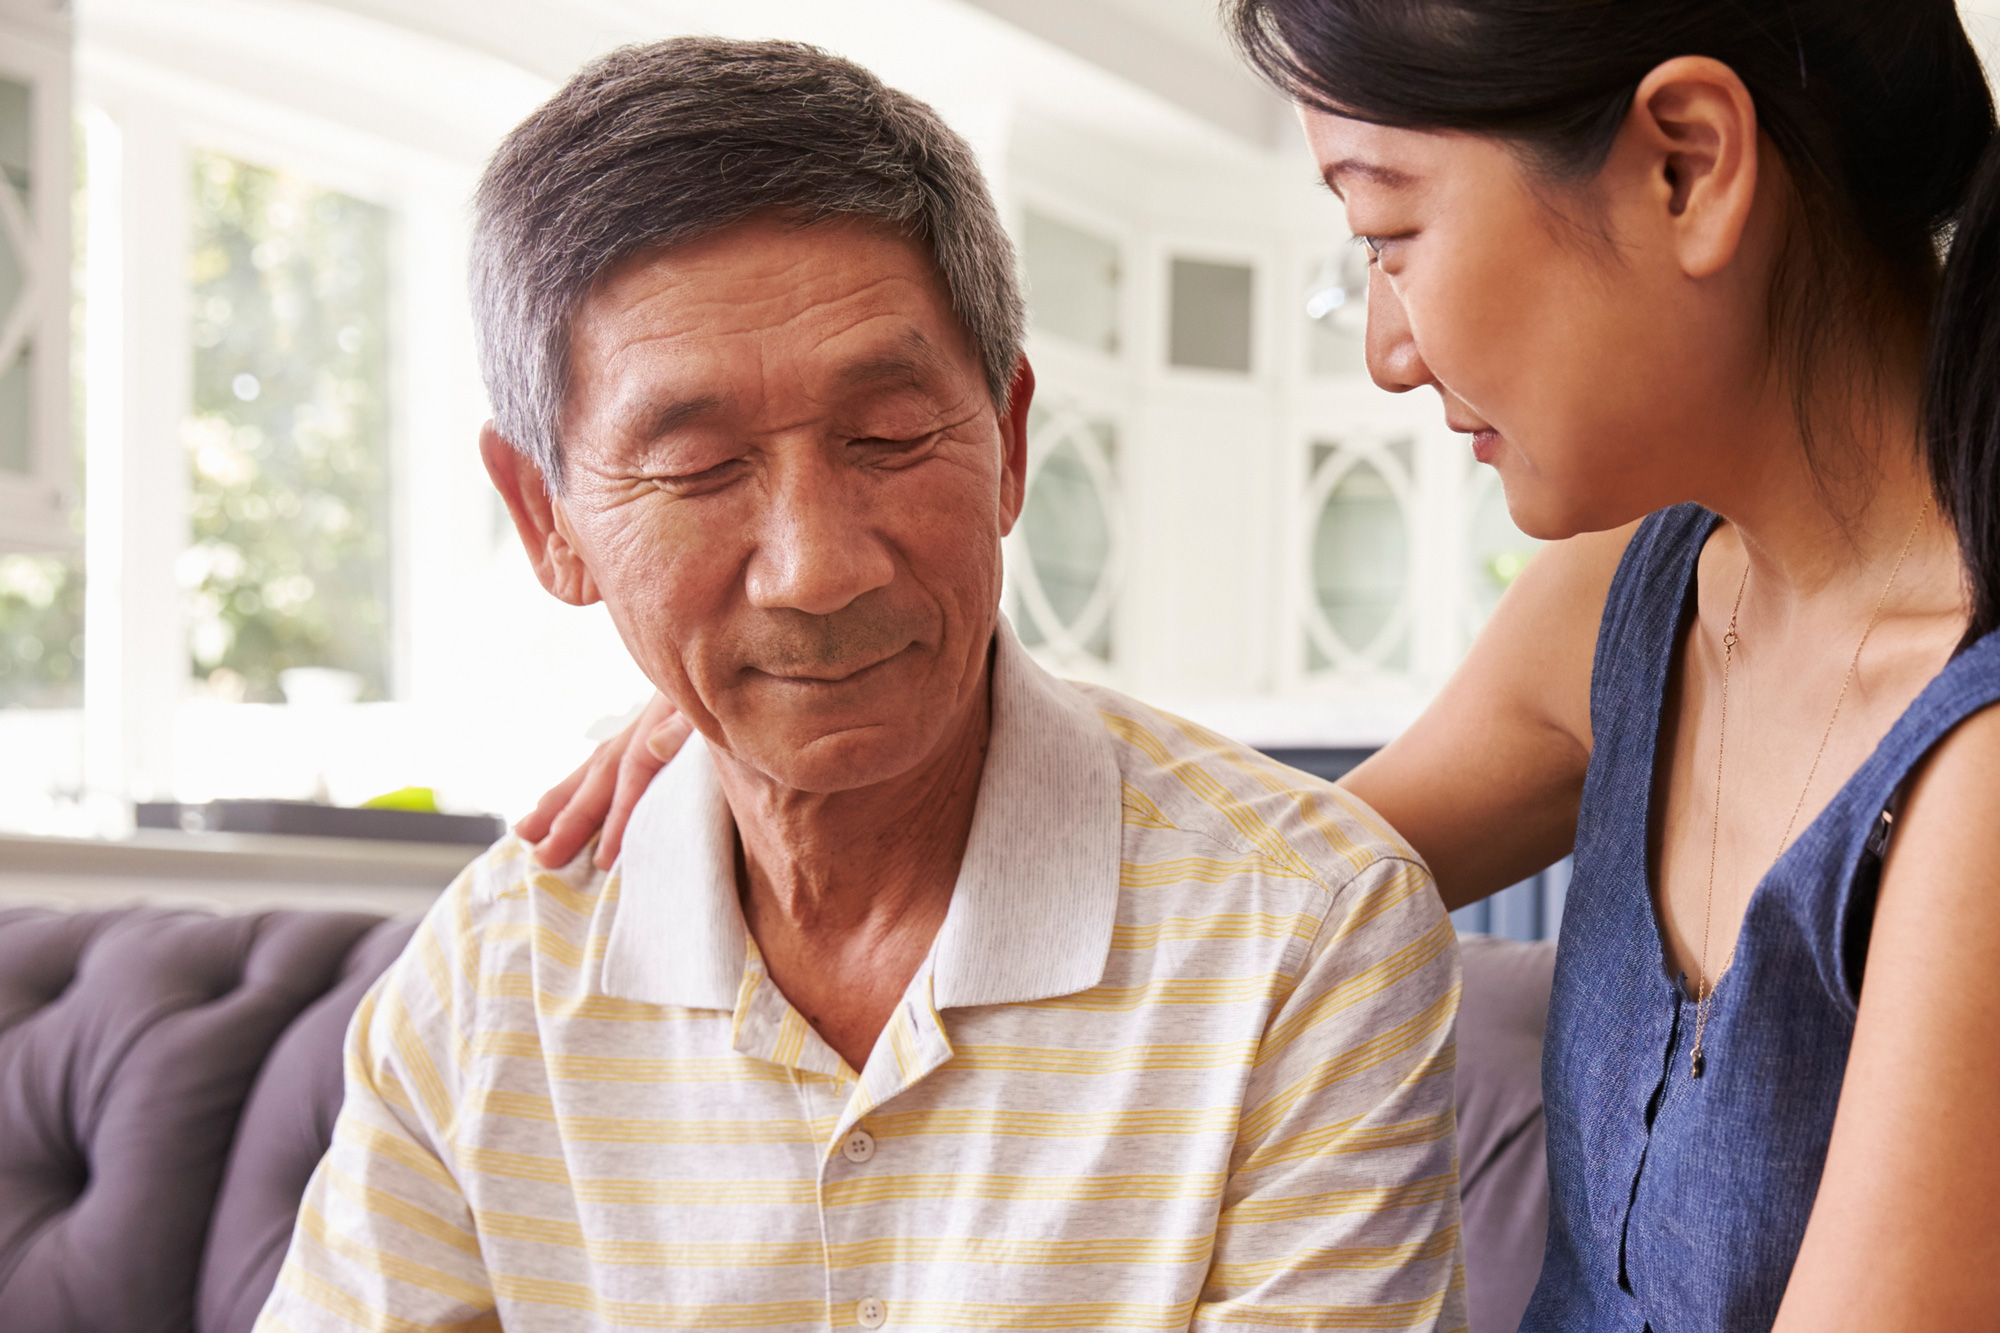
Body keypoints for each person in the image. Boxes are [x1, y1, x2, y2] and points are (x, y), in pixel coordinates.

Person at [537, 3, 2000, 1328]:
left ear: (1686, 166)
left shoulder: (1977, 762)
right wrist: (793, 721)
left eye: (1387, 233)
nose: (1387, 351)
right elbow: (1237, 893)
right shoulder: (1636, 594)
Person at [256, 37, 1469, 1333]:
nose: (816, 569)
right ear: (546, 517)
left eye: (887, 437)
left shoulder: (1305, 934)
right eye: (700, 467)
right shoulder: (487, 979)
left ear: (1009, 442)